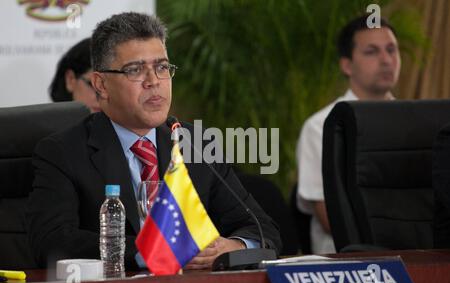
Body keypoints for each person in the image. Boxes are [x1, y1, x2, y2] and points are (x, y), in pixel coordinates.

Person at [27, 12, 281, 270]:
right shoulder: (63, 152)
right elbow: (51, 242)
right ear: (101, 85)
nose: (154, 82)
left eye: (161, 67)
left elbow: (262, 229)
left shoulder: (196, 143)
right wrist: (150, 251)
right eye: (135, 70)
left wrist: (233, 247)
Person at [296, 15, 401, 254]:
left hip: (416, 255)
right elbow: (330, 217)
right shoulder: (320, 126)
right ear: (347, 65)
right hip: (345, 264)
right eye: (371, 52)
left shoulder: (416, 123)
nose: (386, 60)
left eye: (391, 49)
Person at [49, 38, 100, 113]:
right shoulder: (45, 123)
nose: (103, 96)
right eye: (94, 85)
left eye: (110, 87)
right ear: (70, 79)